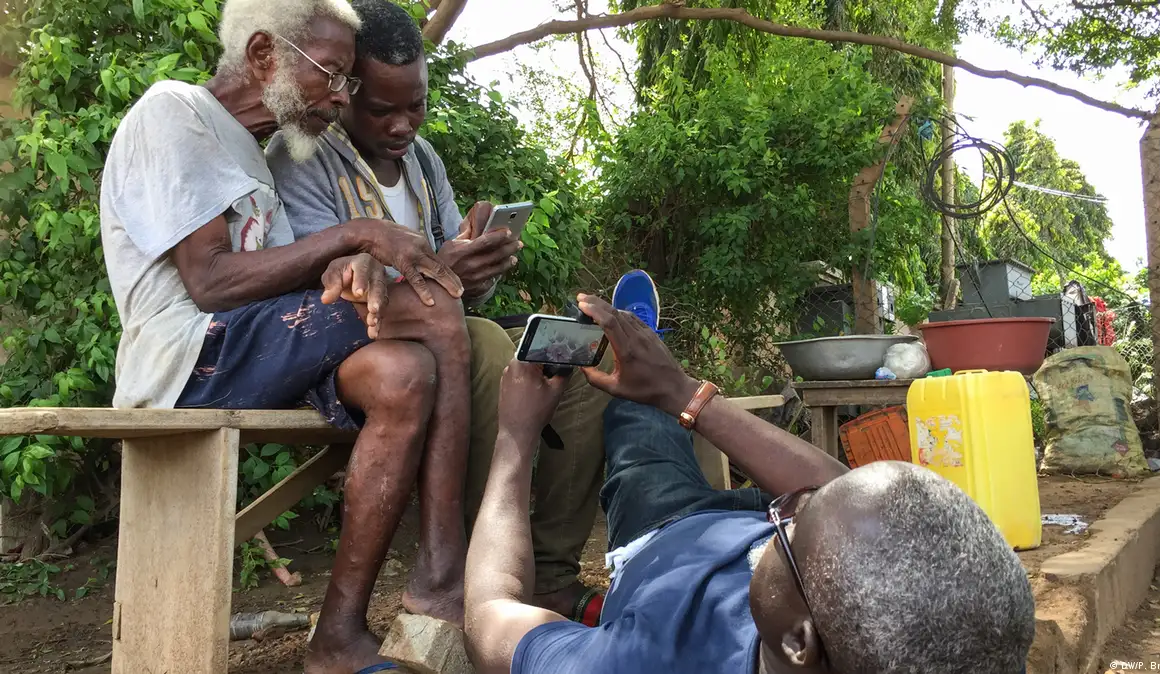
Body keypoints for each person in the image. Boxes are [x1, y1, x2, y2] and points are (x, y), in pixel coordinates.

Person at [99, 1, 482, 671]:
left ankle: (336, 638)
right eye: (331, 74)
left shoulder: (252, 151)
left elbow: (284, 279)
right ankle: (441, 578)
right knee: (434, 311)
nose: (340, 97)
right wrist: (358, 233)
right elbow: (211, 281)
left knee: (403, 374)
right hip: (188, 355)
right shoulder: (175, 112)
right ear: (262, 55)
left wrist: (348, 266)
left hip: (252, 343)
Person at [461, 274, 1037, 674]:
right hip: (712, 536)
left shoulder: (651, 658)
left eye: (789, 526)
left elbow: (489, 617)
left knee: (636, 420)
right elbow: (835, 488)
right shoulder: (867, 635)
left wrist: (515, 434)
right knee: (656, 401)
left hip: (662, 533)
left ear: (799, 643)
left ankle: (640, 366)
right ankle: (654, 372)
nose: (781, 504)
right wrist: (684, 393)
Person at [266, 0, 610, 623]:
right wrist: (440, 273)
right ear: (345, 90)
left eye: (416, 105)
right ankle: (482, 571)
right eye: (383, 109)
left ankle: (551, 574)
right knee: (490, 349)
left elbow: (458, 296)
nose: (403, 125)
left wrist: (477, 267)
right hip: (356, 350)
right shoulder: (302, 157)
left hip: (440, 333)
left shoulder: (424, 162)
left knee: (578, 362)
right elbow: (323, 290)